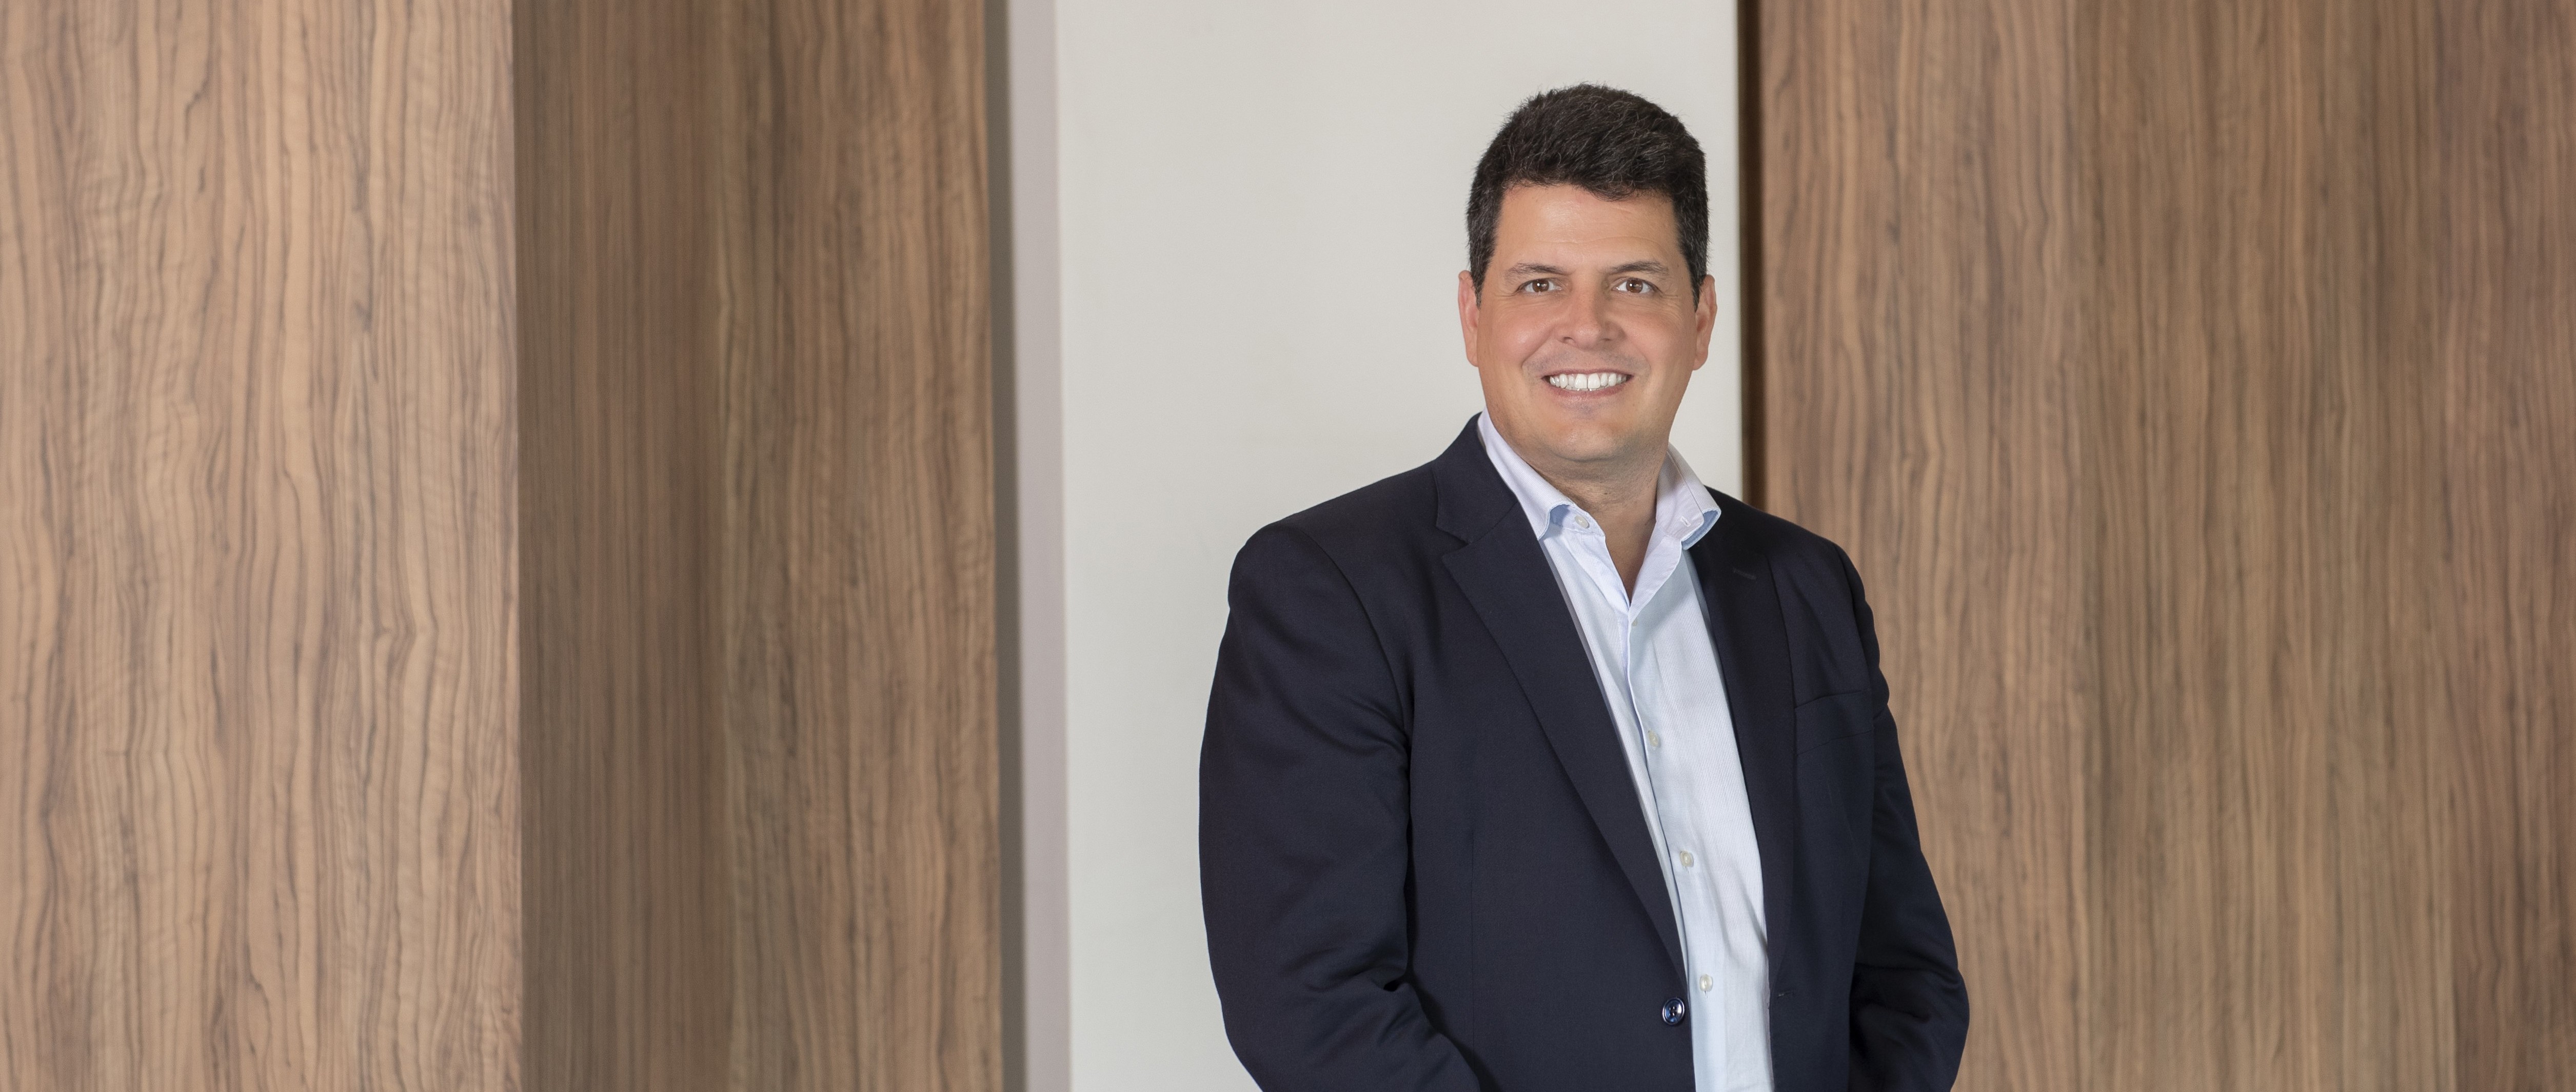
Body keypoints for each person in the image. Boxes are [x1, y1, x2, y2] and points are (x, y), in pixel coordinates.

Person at [1198, 85, 1969, 1090]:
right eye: (1539, 284)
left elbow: (1904, 977)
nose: (1587, 327)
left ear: (1700, 318)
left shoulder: (1805, 587)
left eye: (1635, 284)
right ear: (1473, 315)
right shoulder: (1331, 592)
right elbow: (1310, 1004)